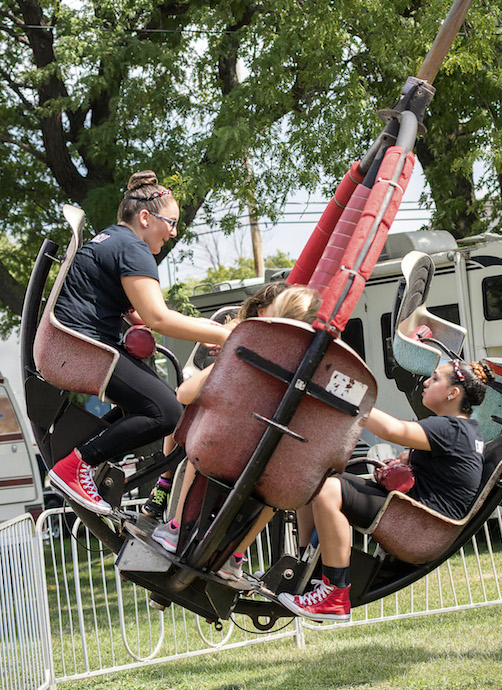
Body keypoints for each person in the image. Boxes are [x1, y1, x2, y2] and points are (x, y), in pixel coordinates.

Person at [48, 171, 232, 517]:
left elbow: (139, 312)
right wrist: (225, 335)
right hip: (81, 348)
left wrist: (205, 327)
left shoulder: (113, 239)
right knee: (168, 412)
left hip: (72, 344)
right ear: (146, 218)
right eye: (171, 222)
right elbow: (159, 319)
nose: (175, 232)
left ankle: (87, 457)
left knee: (152, 405)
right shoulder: (134, 248)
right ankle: (78, 464)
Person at [278, 358, 494, 622]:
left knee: (329, 491)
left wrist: (347, 389)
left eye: (436, 378)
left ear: (453, 393)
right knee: (313, 480)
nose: (426, 382)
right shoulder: (463, 430)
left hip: (420, 526)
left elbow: (392, 429)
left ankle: (334, 595)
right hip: (419, 519)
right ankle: (308, 573)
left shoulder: (451, 428)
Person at [150, 284, 322, 578]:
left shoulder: (247, 347)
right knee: (276, 490)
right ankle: (236, 556)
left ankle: (177, 528)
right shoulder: (314, 364)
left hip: (223, 452)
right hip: (272, 470)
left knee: (201, 435)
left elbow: (184, 393)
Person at [141, 281, 290, 520]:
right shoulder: (237, 326)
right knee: (180, 404)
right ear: (261, 310)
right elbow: (204, 367)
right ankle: (164, 483)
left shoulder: (283, 343)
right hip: (215, 394)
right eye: (281, 310)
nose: (286, 319)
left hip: (244, 412)